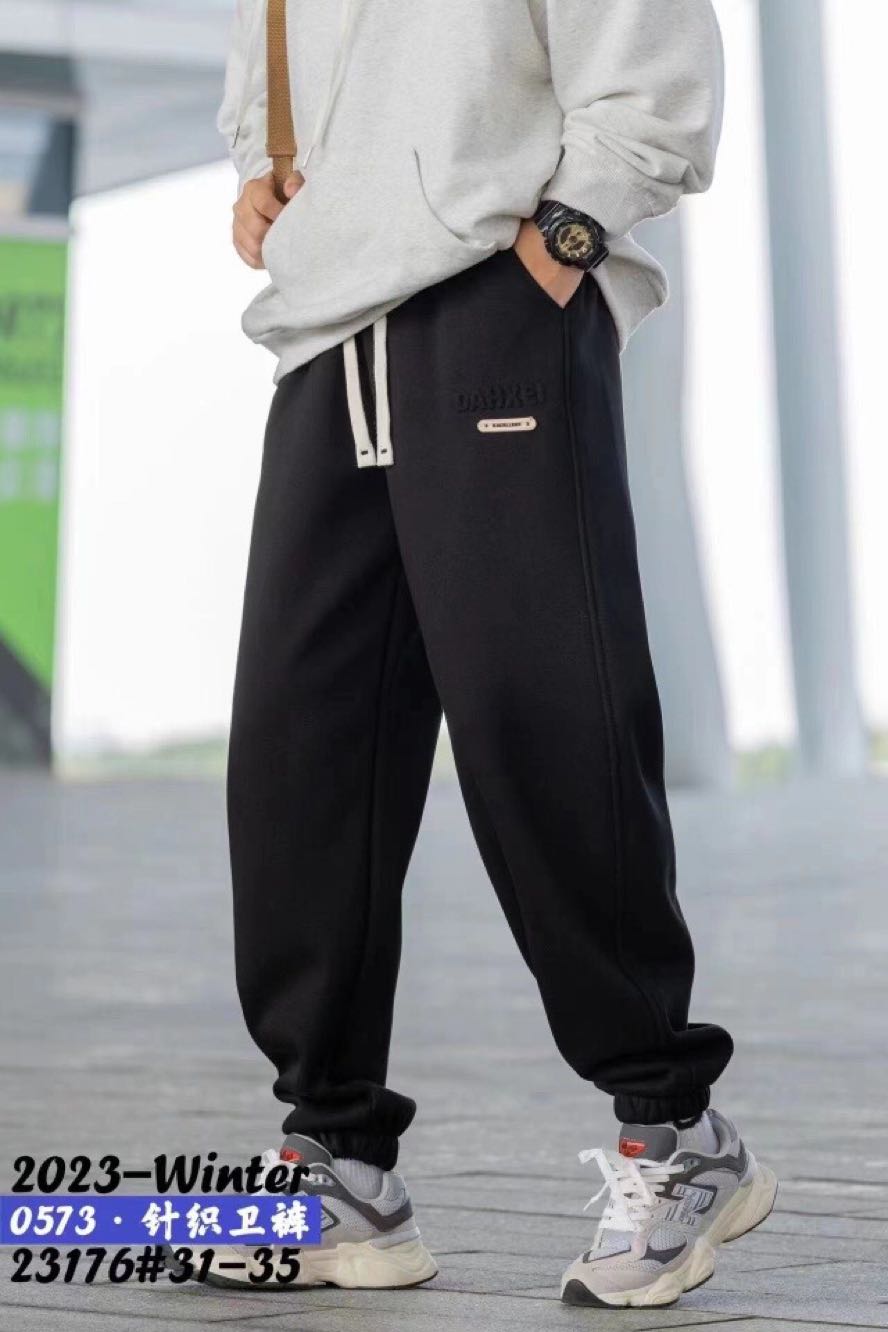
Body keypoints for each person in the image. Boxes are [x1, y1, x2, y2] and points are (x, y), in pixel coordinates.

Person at [208, 0, 777, 1307]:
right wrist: (262, 176)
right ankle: (342, 1164)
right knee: (302, 758)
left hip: (493, 309)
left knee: (543, 725)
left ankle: (675, 1128)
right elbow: (272, 84)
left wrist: (556, 250)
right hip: (325, 341)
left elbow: (651, 73)